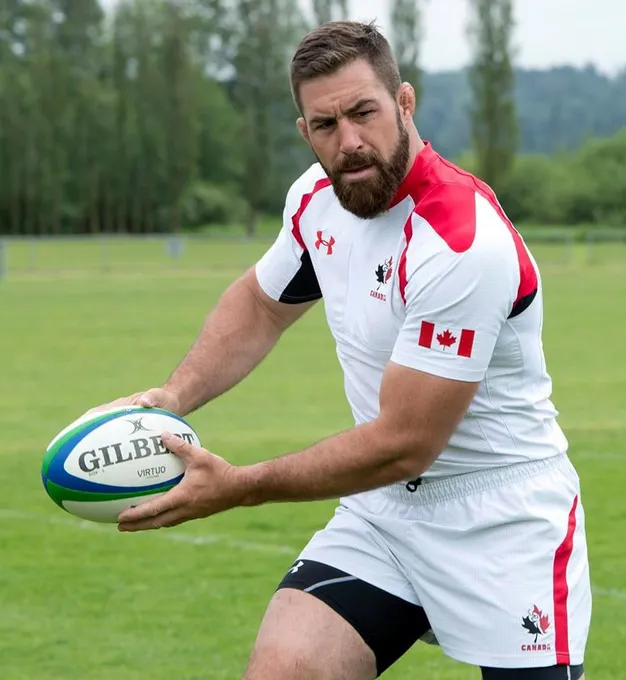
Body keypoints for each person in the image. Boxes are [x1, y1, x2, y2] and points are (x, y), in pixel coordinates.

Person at [97, 20, 592, 680]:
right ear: (304, 132)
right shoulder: (314, 200)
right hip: (384, 513)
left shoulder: (459, 241)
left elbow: (405, 440)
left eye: (364, 113)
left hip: (500, 520)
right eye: (325, 124)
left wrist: (241, 487)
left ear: (404, 103)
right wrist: (172, 397)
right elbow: (262, 304)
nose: (350, 142)